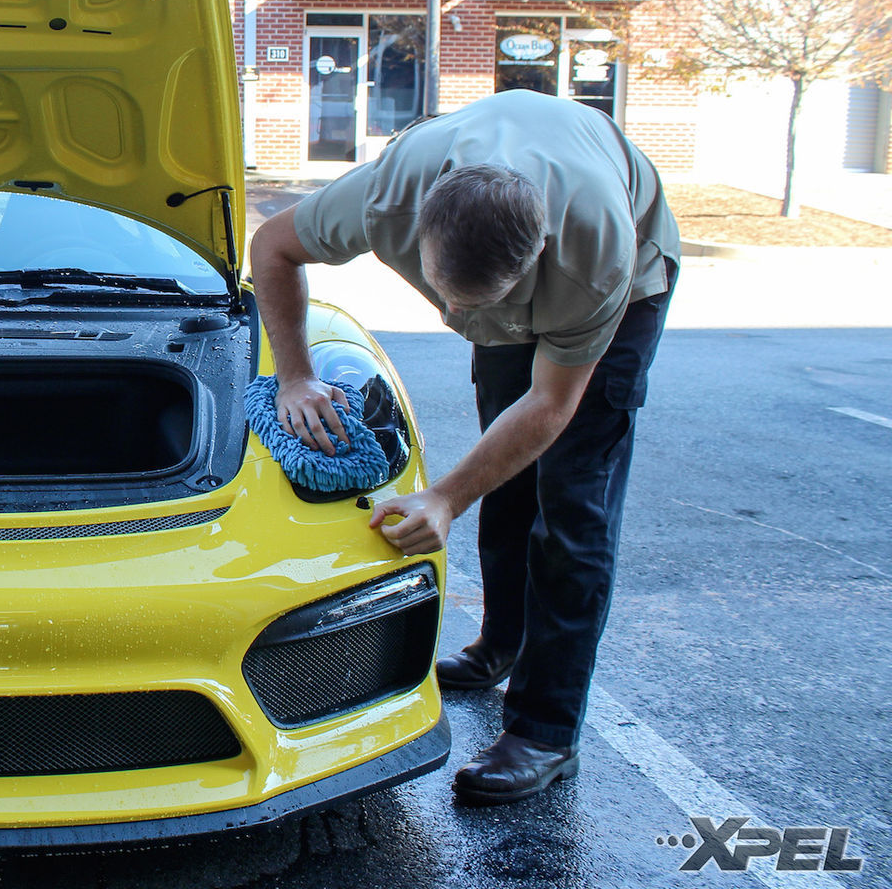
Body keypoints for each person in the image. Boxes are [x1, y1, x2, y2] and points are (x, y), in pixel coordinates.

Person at [249, 89, 679, 805]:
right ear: (417, 230)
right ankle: (501, 644)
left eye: (469, 309)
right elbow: (273, 246)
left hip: (623, 284)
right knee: (505, 477)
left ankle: (544, 733)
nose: (451, 319)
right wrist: (294, 376)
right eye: (441, 294)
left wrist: (445, 496)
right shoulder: (388, 194)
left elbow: (551, 404)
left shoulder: (595, 261)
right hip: (501, 240)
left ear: (535, 256)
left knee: (572, 508)